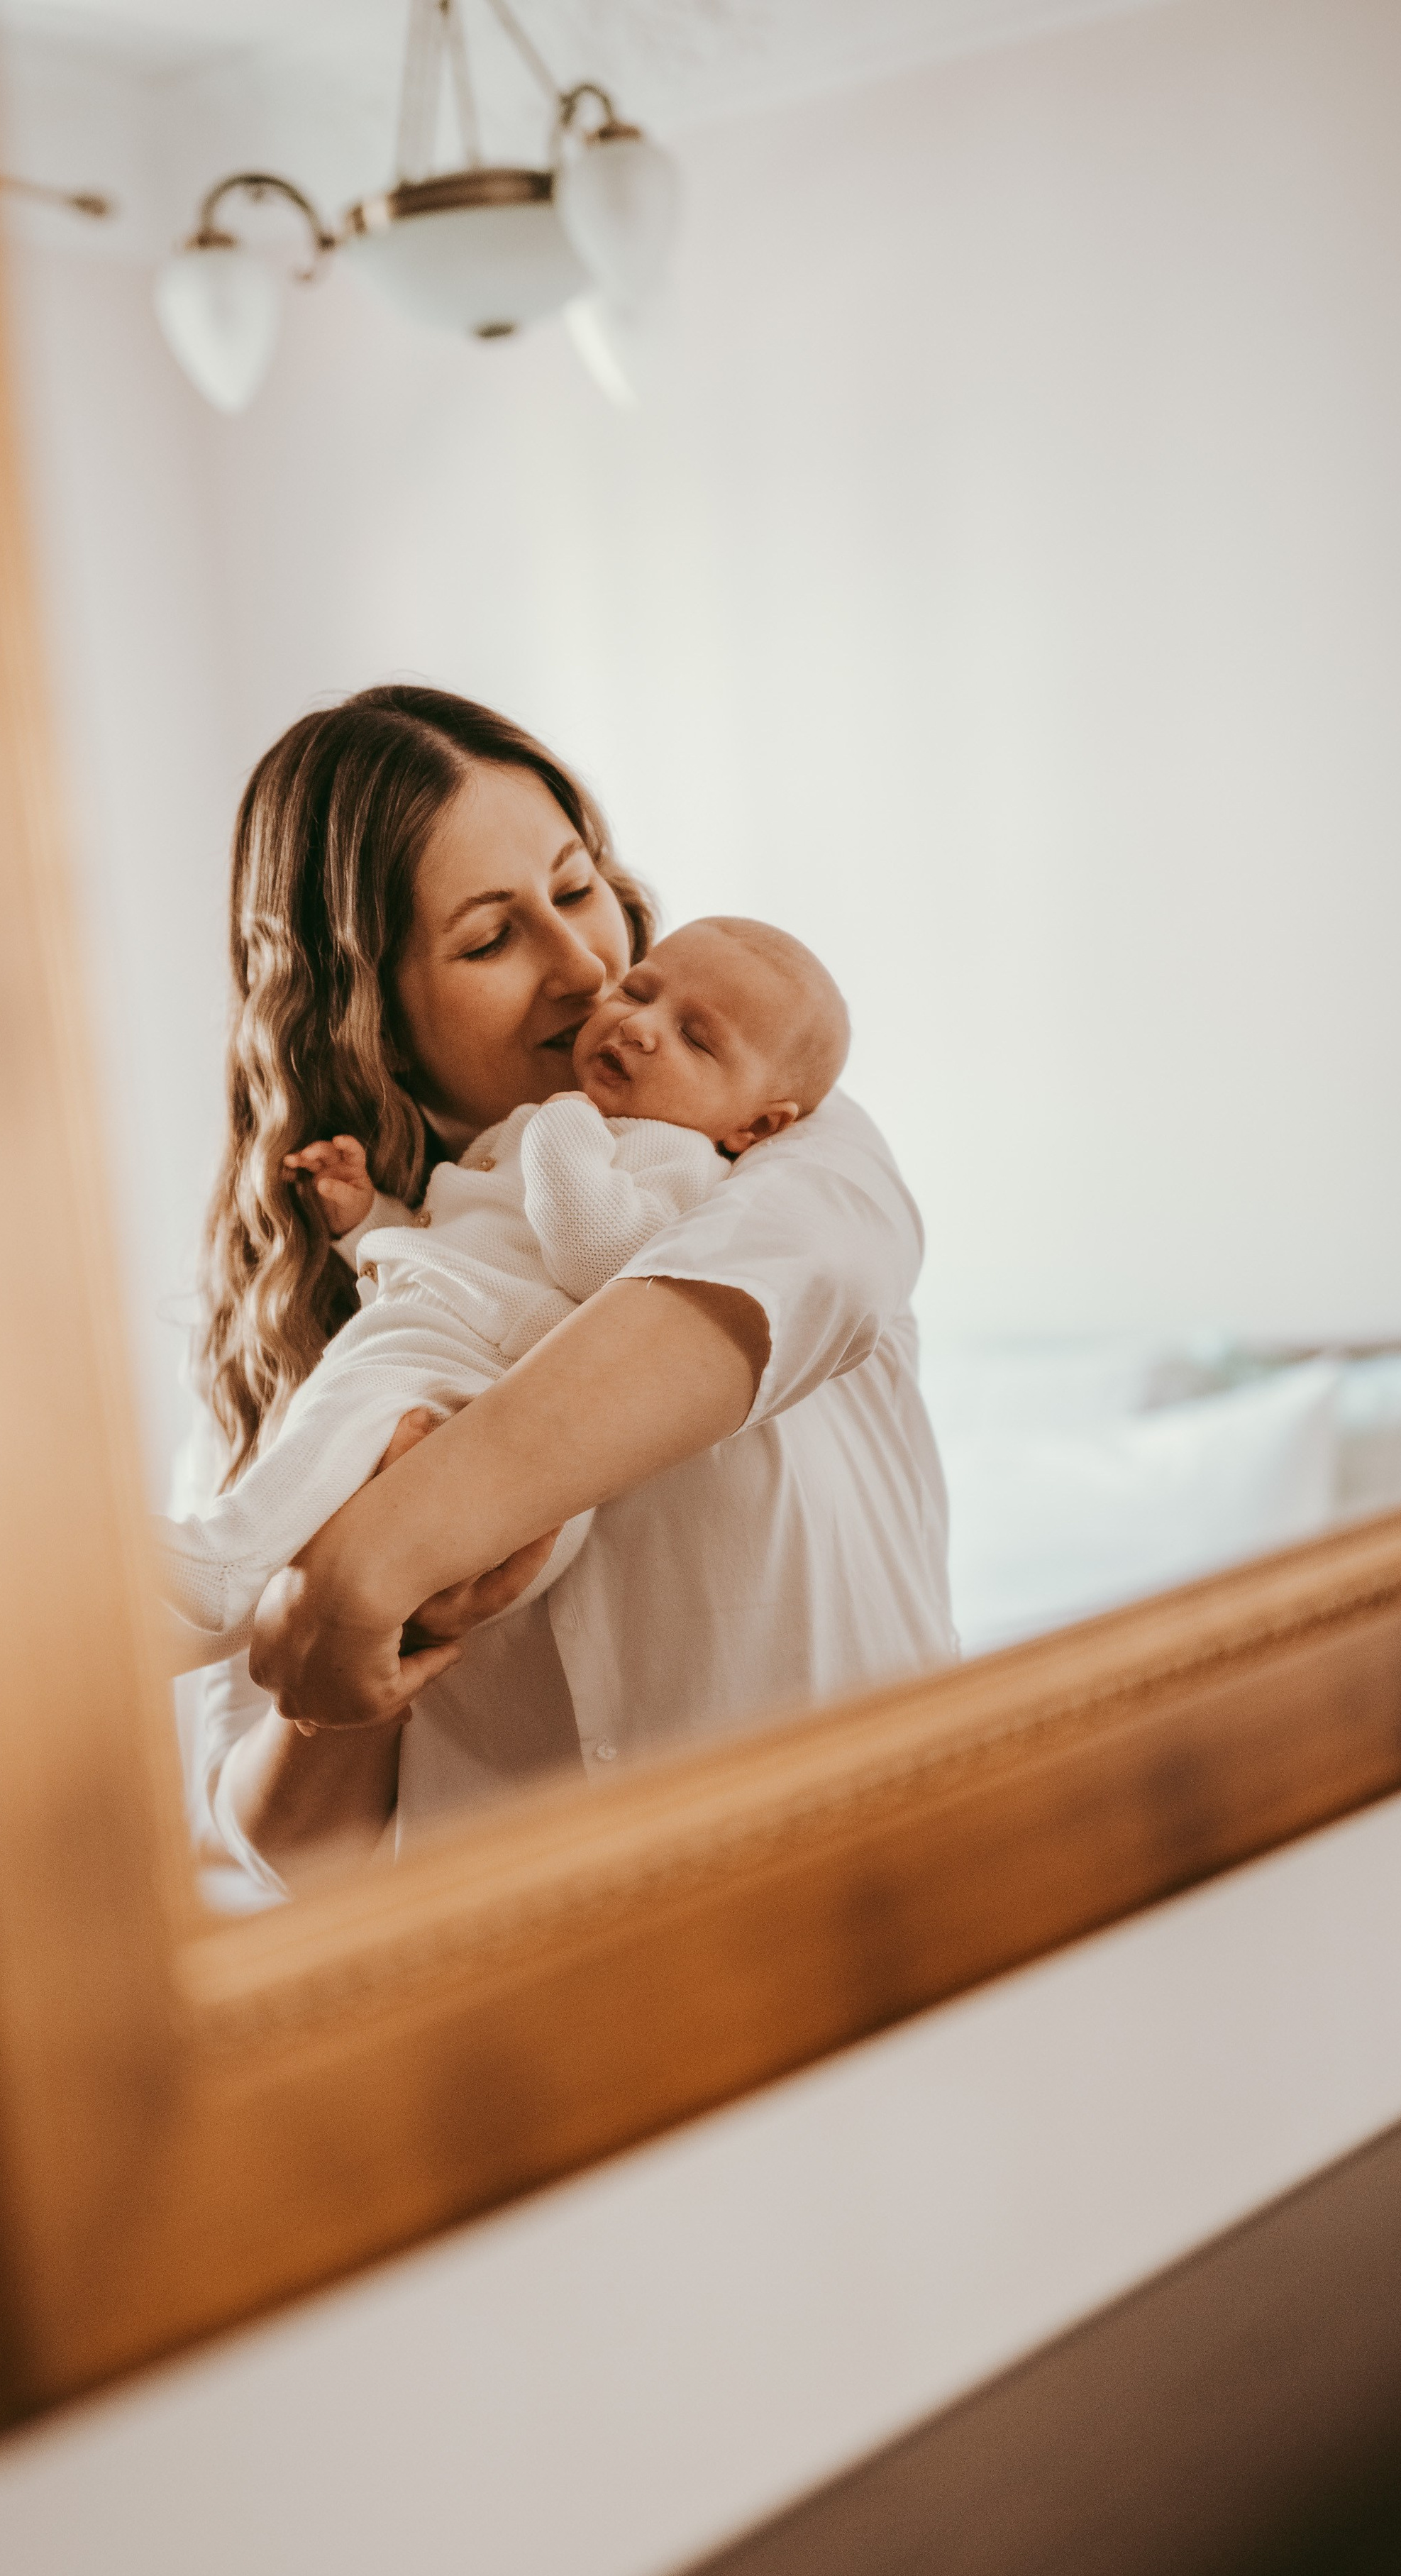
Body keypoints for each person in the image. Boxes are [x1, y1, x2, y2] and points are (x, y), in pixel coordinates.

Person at [175, 684, 953, 1898]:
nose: (587, 964)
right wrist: (341, 1692)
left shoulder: (778, 1141)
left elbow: (712, 1307)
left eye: (578, 886)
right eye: (491, 939)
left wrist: (365, 1569)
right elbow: (296, 1854)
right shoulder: (314, 1336)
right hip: (534, 2003)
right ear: (369, 1018)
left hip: (868, 1929)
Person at [156, 917, 851, 1660]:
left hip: (479, 1353)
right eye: (638, 991)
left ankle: (216, 1568)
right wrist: (367, 1219)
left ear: (754, 1125)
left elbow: (600, 1258)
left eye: (697, 1039)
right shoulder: (555, 1125)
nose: (641, 1027)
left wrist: (562, 1132)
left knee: (337, 1414)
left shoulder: (678, 1160)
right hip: (453, 1331)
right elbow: (465, 1237)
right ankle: (221, 1599)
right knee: (326, 1446)